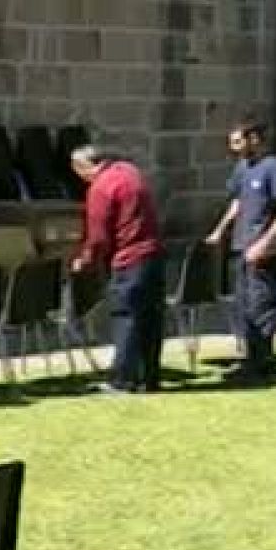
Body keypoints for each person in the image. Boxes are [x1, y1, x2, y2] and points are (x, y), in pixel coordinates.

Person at [70, 145, 166, 394]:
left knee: (126, 318)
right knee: (150, 318)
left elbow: (99, 236)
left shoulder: (101, 187)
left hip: (129, 259)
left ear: (84, 167)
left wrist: (86, 260)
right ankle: (149, 376)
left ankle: (123, 379)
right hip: (153, 255)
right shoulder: (130, 173)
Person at [204, 118, 276, 382]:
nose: (233, 148)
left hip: (260, 250)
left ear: (254, 139)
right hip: (240, 247)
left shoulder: (273, 167)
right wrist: (220, 230)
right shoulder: (243, 168)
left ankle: (262, 364)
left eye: (238, 142)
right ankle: (250, 360)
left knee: (261, 305)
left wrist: (265, 243)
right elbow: (238, 203)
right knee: (243, 306)